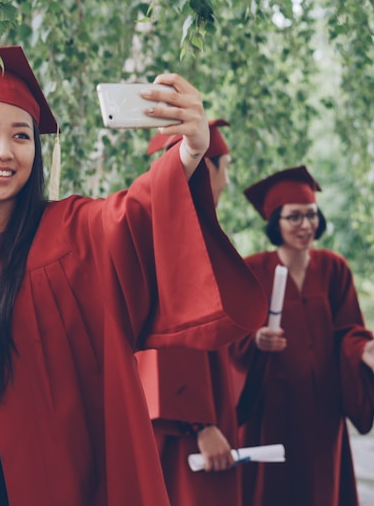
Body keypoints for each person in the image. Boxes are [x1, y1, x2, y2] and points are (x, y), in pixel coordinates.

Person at [0, 46, 267, 505]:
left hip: (66, 483)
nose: (5, 150)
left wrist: (191, 150)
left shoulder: (75, 232)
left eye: (22, 135)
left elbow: (136, 213)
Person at [230, 165, 374, 506]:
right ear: (276, 221)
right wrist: (256, 340)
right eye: (294, 217)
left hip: (323, 409)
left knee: (321, 488)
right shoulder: (252, 270)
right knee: (272, 489)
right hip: (272, 407)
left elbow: (349, 329)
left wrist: (361, 349)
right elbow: (231, 336)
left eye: (311, 215)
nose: (305, 225)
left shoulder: (334, 269)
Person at [138, 119, 249, 506]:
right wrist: (199, 424)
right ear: (207, 169)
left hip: (199, 409)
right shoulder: (175, 235)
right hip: (183, 422)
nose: (227, 182)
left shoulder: (191, 229)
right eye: (226, 168)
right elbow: (173, 335)